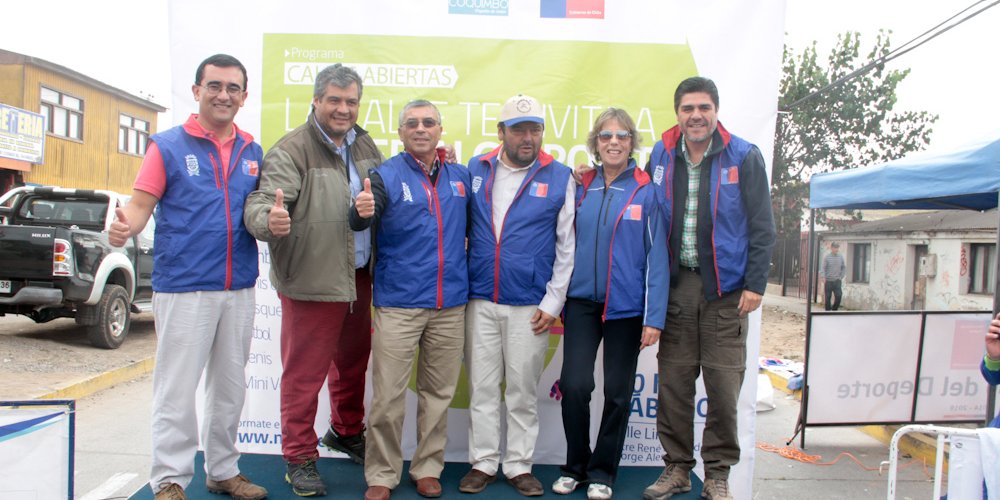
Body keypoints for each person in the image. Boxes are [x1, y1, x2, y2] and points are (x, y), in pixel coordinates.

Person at [109, 54, 267, 500]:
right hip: (185, 286)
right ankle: (170, 479)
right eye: (214, 86)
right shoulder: (167, 146)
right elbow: (139, 206)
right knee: (176, 389)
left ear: (244, 96)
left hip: (238, 288)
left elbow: (259, 212)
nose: (223, 95)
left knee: (230, 388)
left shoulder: (252, 151)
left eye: (232, 88)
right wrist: (127, 226)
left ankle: (222, 469)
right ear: (197, 91)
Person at [243, 64, 384, 497]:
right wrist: (269, 219)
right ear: (317, 100)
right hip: (311, 280)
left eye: (351, 101)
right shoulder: (292, 149)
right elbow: (260, 203)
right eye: (335, 100)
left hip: (359, 279)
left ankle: (345, 431)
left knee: (354, 365)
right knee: (305, 375)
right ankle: (299, 456)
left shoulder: (364, 143)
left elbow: (384, 188)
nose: (343, 109)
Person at [642, 77, 776, 500]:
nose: (695, 116)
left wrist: (755, 283)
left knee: (722, 388)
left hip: (726, 292)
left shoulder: (744, 156)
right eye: (687, 109)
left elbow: (763, 226)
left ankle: (717, 474)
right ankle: (677, 468)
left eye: (703, 107)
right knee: (675, 385)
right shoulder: (662, 154)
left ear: (715, 111)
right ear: (677, 113)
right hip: (678, 287)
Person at [347, 100, 470, 500]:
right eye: (412, 123)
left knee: (438, 394)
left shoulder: (461, 176)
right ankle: (382, 473)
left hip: (449, 304)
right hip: (398, 303)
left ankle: (428, 466)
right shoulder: (382, 176)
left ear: (440, 130)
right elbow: (363, 214)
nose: (421, 128)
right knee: (388, 397)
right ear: (400, 133)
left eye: (429, 122)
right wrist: (360, 211)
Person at [459, 94, 575, 497]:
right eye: (519, 129)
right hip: (480, 299)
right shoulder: (477, 168)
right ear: (501, 133)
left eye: (535, 129)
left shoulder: (560, 176)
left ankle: (519, 464)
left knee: (522, 391)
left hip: (530, 304)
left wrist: (552, 302)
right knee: (483, 388)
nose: (528, 138)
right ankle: (484, 461)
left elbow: (567, 247)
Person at [551, 108, 668, 500]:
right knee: (575, 385)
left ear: (632, 142)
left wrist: (654, 317)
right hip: (582, 303)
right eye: (605, 136)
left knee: (617, 392)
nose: (614, 142)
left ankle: (603, 472)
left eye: (621, 135)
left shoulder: (646, 190)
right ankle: (575, 466)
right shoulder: (581, 184)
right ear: (595, 144)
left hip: (626, 308)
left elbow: (657, 259)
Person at [821, 242, 846, 311]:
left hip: (837, 281)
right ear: (831, 248)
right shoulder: (827, 257)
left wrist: (841, 276)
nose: (836, 249)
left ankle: (834, 309)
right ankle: (828, 312)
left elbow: (843, 267)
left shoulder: (840, 257)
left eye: (837, 248)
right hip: (828, 281)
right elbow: (823, 268)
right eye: (835, 248)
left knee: (839, 296)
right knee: (827, 298)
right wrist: (823, 277)